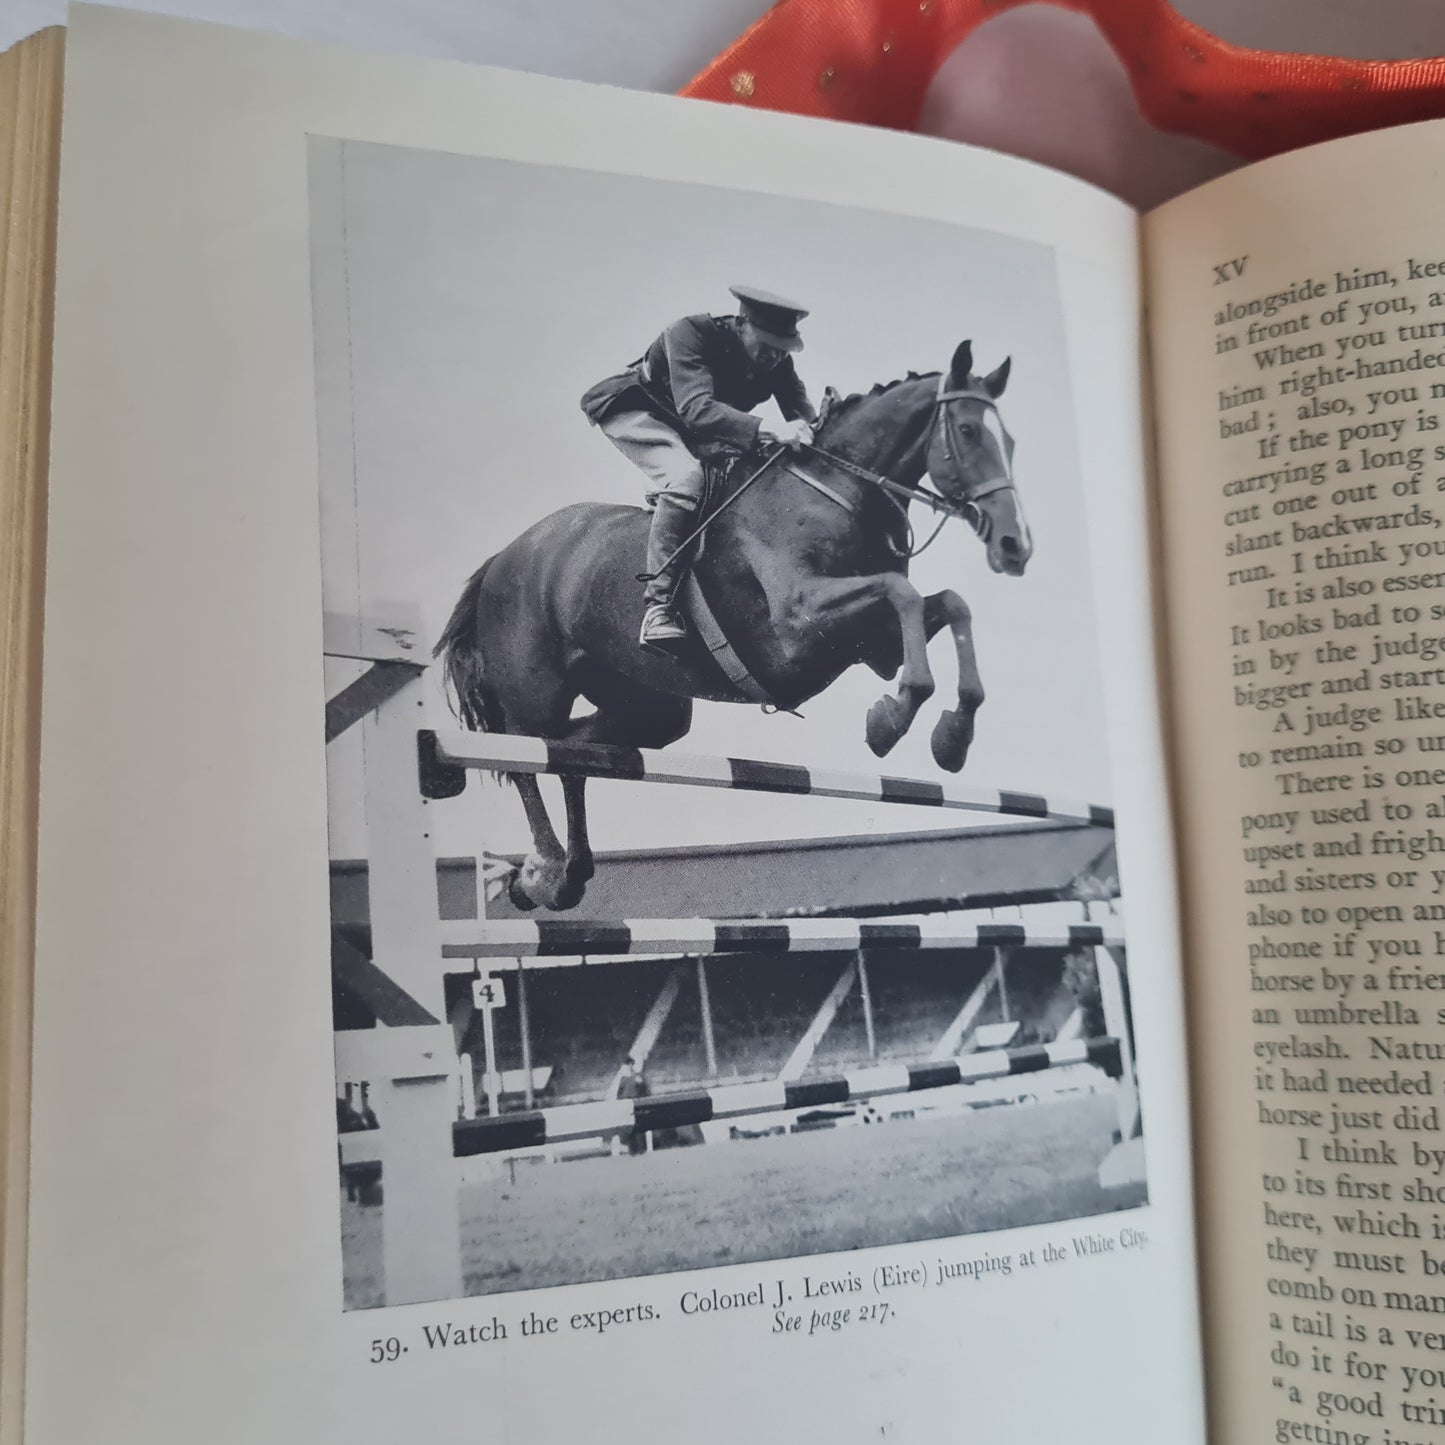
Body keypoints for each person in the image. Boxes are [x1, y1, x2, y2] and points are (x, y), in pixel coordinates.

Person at [580, 285, 818, 650]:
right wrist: (772, 429)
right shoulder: (690, 333)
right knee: (687, 480)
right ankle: (658, 607)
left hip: (694, 427)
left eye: (782, 349)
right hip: (639, 408)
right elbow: (697, 410)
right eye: (767, 345)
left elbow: (805, 420)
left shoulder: (778, 363)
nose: (774, 357)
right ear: (742, 325)